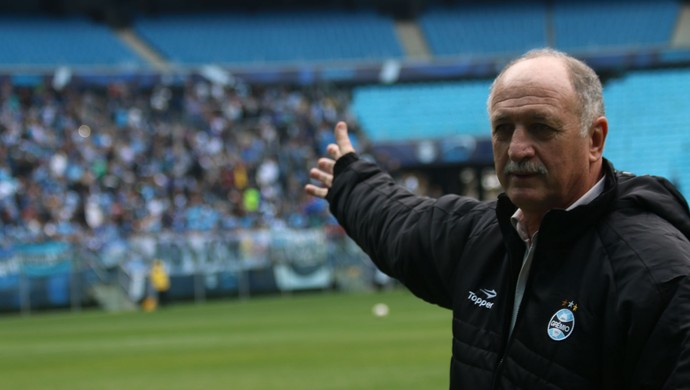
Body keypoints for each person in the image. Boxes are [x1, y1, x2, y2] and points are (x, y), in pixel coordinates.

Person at [304, 48, 690, 388]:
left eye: (541, 127)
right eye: (503, 129)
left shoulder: (658, 275)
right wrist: (349, 181)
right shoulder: (482, 236)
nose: (518, 149)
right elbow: (398, 225)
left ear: (594, 140)